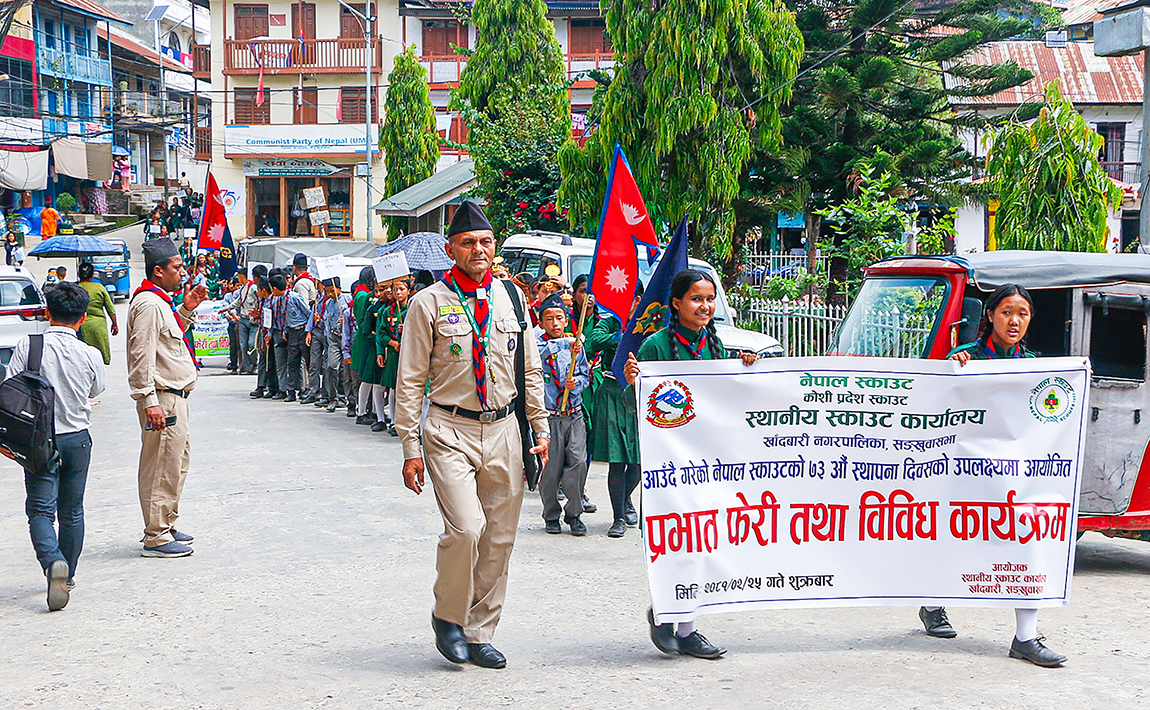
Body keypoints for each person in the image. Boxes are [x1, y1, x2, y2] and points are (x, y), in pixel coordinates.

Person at [395, 200, 550, 669]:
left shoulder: (514, 298)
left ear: (494, 247)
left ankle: (479, 630)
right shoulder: (428, 303)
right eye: (467, 243)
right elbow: (409, 379)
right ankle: (448, 617)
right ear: (451, 250)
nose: (478, 250)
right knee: (467, 530)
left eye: (485, 242)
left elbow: (530, 367)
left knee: (500, 538)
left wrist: (539, 428)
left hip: (504, 427)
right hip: (448, 428)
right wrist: (410, 446)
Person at [918, 283, 1067, 668]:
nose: (1014, 320)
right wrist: (955, 374)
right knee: (952, 539)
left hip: (1016, 478)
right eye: (1006, 312)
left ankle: (1026, 637)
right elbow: (934, 405)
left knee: (1027, 542)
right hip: (964, 472)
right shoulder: (963, 358)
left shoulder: (1036, 366)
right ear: (989, 316)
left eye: (1022, 313)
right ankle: (933, 605)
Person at [623, 267, 758, 660]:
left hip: (709, 467)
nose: (705, 306)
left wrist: (747, 369)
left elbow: (733, 402)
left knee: (703, 540)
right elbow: (645, 404)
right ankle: (668, 611)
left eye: (710, 299)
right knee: (673, 540)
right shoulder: (655, 347)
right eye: (696, 299)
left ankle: (687, 627)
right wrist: (636, 380)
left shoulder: (718, 348)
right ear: (677, 303)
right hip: (668, 468)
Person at [5, 282, 106, 610]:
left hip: (39, 440)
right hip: (77, 438)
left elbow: (9, 389)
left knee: (39, 509)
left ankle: (52, 564)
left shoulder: (28, 345)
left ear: (48, 312)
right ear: (81, 318)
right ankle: (69, 574)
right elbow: (97, 388)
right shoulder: (90, 353)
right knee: (72, 510)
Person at [126, 237, 208, 558]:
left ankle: (167, 520)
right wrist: (148, 400)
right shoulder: (148, 304)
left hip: (175, 397)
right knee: (160, 464)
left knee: (175, 462)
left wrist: (186, 308)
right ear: (158, 271)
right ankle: (156, 535)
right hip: (162, 397)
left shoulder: (161, 302)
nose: (182, 271)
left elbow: (168, 343)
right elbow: (141, 355)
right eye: (176, 267)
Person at [588, 283, 644, 539]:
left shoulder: (651, 323)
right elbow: (593, 341)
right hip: (611, 392)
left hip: (639, 395)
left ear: (640, 299)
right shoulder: (611, 322)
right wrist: (621, 336)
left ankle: (625, 499)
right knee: (617, 460)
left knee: (638, 462)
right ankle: (618, 517)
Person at [536, 295, 591, 535]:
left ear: (567, 321)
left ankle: (574, 513)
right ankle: (551, 514)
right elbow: (541, 355)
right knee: (551, 469)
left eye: (559, 318)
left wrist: (575, 383)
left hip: (573, 414)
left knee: (578, 462)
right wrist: (567, 343)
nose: (555, 324)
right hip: (549, 416)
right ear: (542, 323)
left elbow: (586, 375)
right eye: (549, 319)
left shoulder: (576, 347)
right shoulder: (537, 344)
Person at [376, 278, 410, 435]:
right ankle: (394, 422)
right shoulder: (387, 312)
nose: (398, 292)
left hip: (411, 355)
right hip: (395, 355)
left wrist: (407, 331)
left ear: (409, 290)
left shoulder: (413, 309)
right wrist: (393, 343)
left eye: (402, 289)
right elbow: (381, 333)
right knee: (393, 389)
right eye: (396, 289)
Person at [356, 280, 391, 431]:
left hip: (388, 349)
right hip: (373, 349)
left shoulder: (391, 309)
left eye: (383, 290)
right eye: (378, 291)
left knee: (384, 383)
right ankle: (362, 411)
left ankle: (380, 413)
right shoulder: (372, 308)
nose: (380, 294)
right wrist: (377, 338)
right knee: (370, 380)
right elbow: (366, 330)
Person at [76, 262, 118, 366]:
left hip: (79, 325)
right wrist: (114, 324)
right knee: (100, 355)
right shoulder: (99, 287)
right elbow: (110, 308)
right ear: (92, 275)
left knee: (82, 358)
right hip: (98, 325)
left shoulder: (75, 288)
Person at [348, 267, 377, 422]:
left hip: (365, 338)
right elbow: (362, 319)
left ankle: (371, 410)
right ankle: (362, 411)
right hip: (364, 338)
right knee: (364, 378)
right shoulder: (363, 295)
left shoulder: (361, 294)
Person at [319, 277, 350, 412]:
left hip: (346, 339)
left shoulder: (348, 301)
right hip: (333, 338)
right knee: (332, 366)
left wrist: (347, 321)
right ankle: (333, 398)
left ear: (339, 288)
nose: (330, 294)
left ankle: (345, 397)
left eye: (332, 291)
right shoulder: (329, 303)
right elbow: (326, 321)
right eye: (327, 292)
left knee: (346, 370)